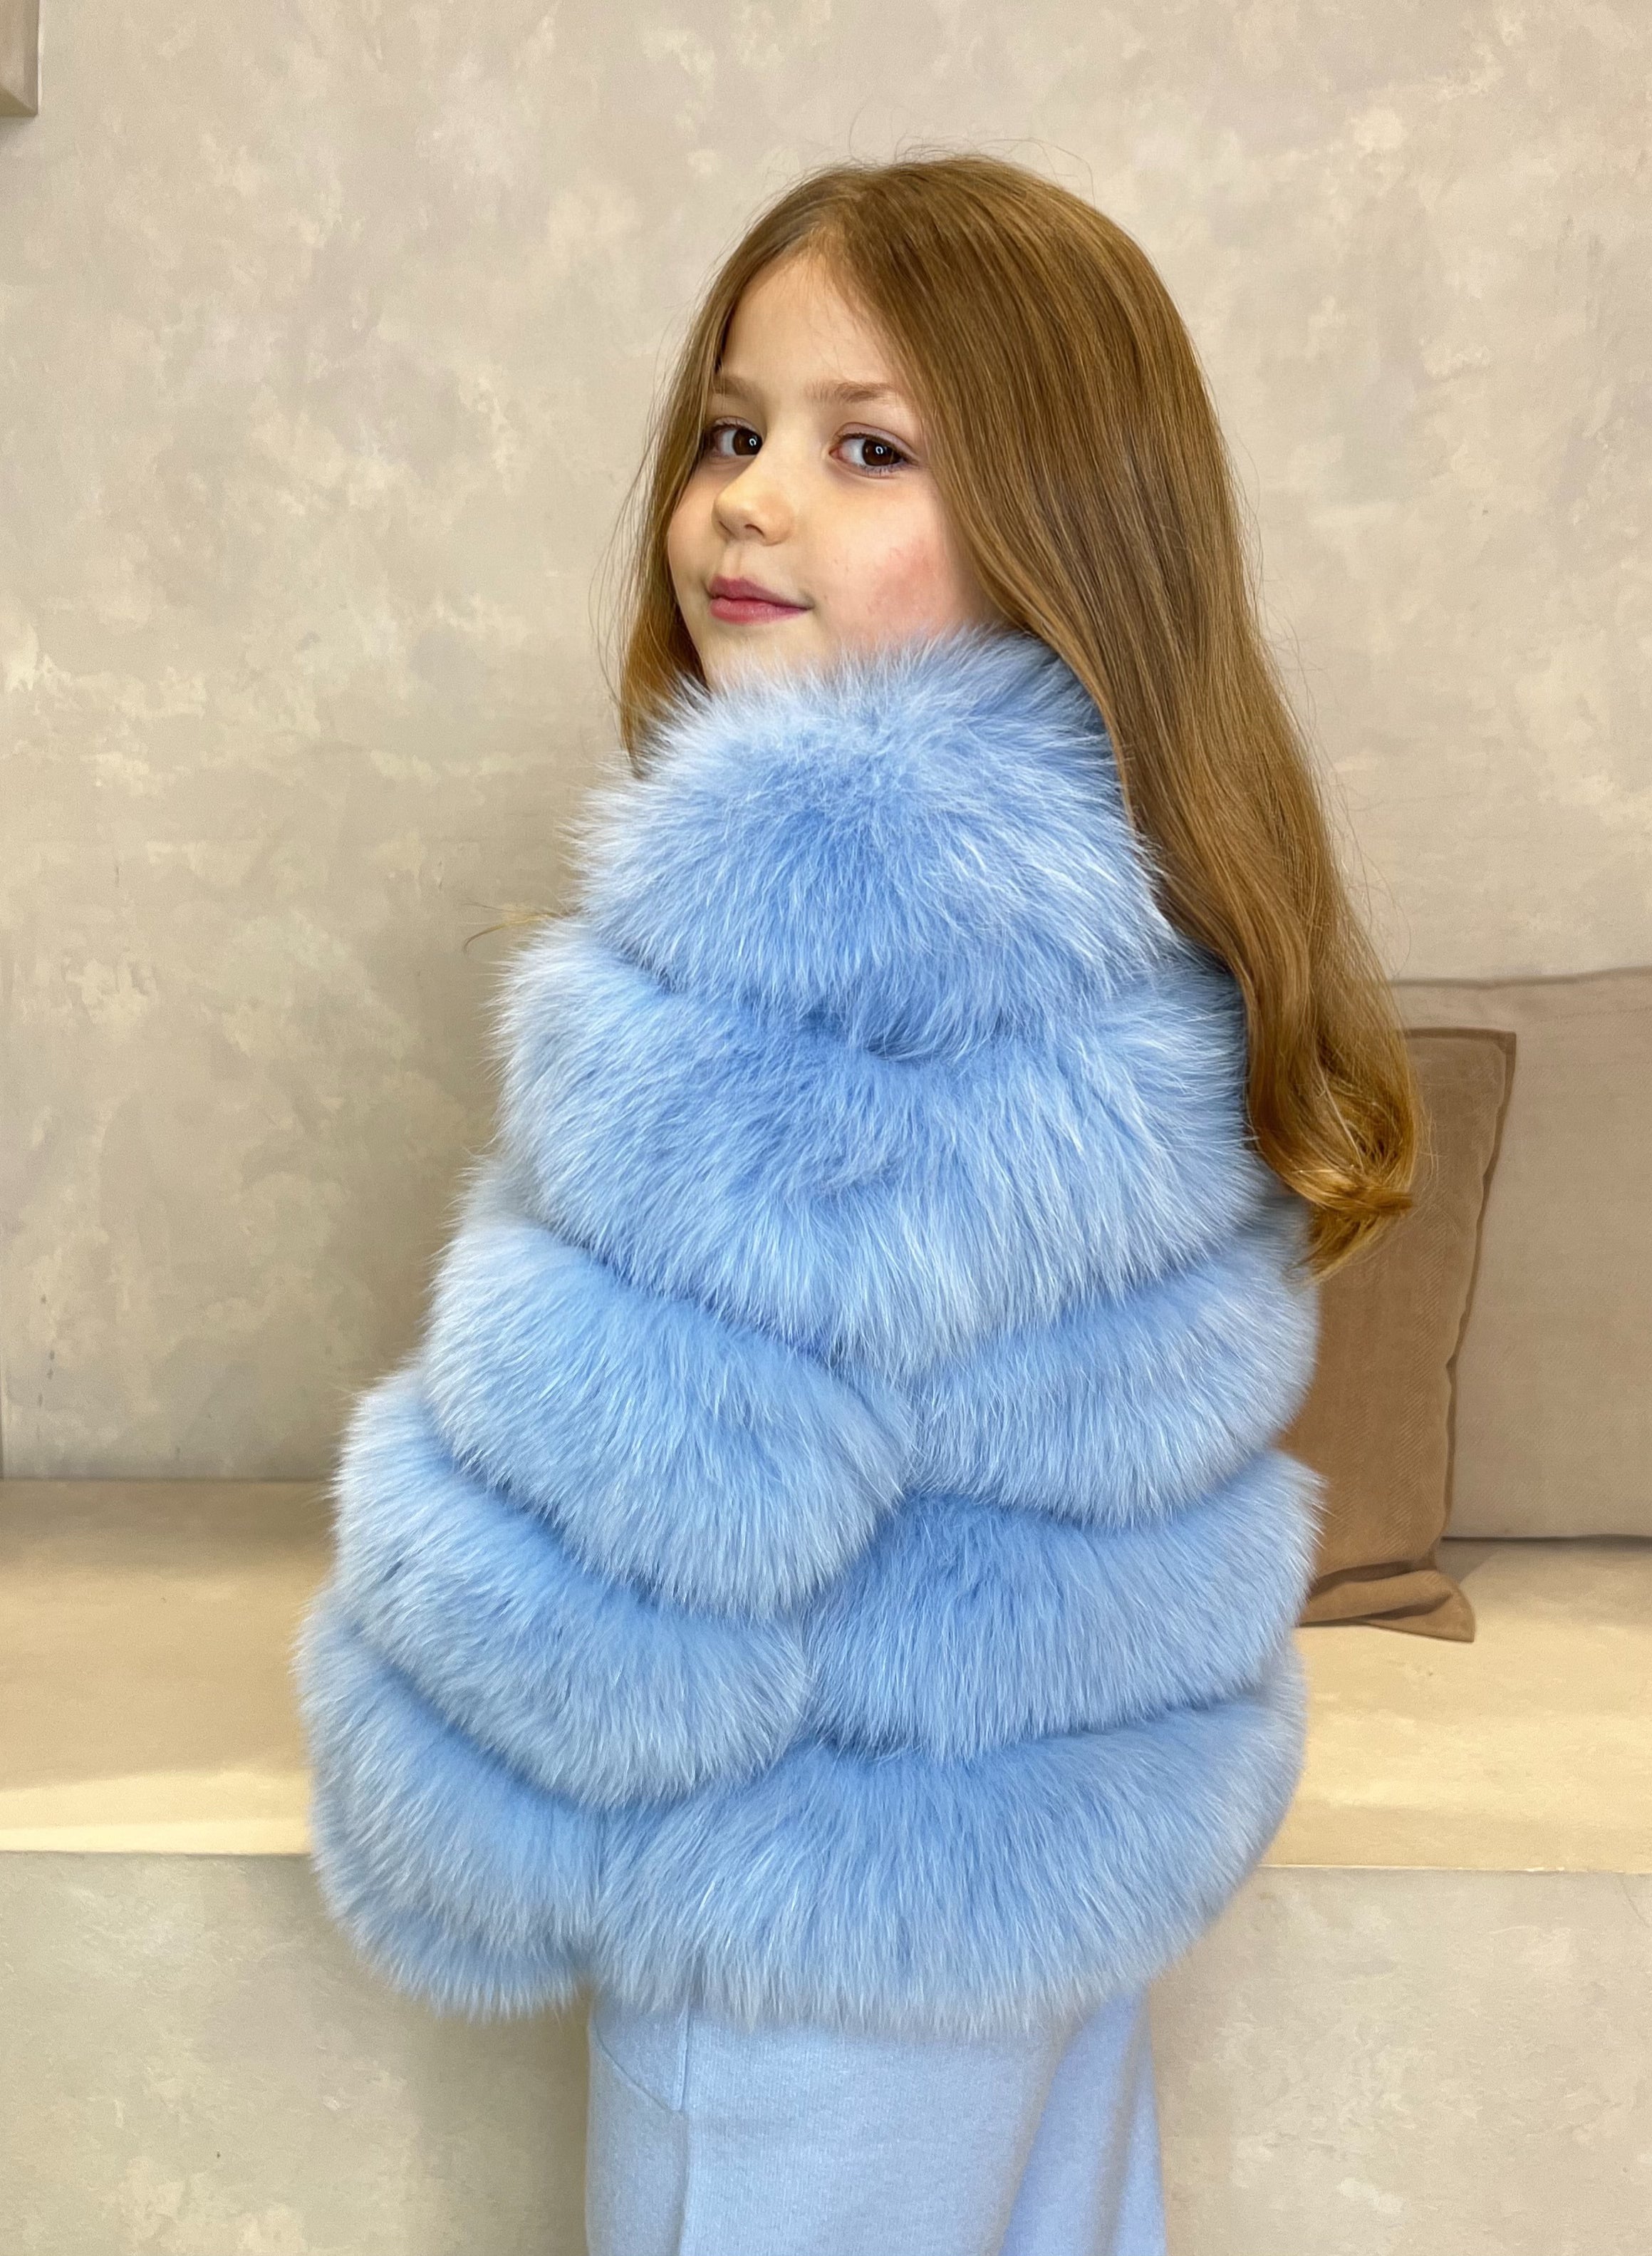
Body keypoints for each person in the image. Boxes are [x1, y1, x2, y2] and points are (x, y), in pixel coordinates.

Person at [293, 153, 1422, 2255]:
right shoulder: (1115, 886)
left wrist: (422, 1774)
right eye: (733, 431)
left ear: (1063, 527)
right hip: (1046, 1884)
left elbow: (644, 1498)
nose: (751, 502)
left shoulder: (819, 906)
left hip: (803, 1929)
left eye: (867, 448)